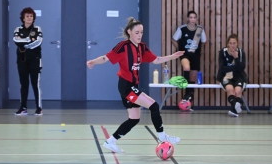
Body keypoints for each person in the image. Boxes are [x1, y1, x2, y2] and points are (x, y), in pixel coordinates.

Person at [87, 17, 184, 153]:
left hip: (133, 86)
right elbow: (106, 58)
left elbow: (156, 60)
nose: (140, 35)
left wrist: (173, 56)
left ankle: (111, 141)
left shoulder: (142, 48)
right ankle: (162, 137)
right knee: (154, 106)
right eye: (137, 32)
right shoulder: (123, 46)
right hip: (126, 86)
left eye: (141, 32)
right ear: (129, 32)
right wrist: (94, 62)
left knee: (134, 119)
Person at [13, 7, 43, 116]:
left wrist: (24, 43)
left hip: (35, 60)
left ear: (33, 18)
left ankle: (39, 108)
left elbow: (38, 42)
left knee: (36, 84)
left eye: (31, 16)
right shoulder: (18, 29)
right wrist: (28, 40)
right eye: (27, 16)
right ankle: (23, 107)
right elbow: (16, 40)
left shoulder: (37, 29)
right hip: (22, 60)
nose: (29, 18)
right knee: (24, 84)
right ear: (23, 18)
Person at [172, 11, 206, 101]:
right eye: (191, 17)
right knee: (186, 67)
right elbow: (174, 39)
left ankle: (189, 98)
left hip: (195, 55)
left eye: (194, 17)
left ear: (196, 19)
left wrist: (198, 50)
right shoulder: (182, 29)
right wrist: (180, 50)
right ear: (187, 18)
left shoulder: (200, 29)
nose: (193, 19)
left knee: (193, 78)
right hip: (185, 54)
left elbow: (204, 42)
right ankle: (186, 92)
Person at [216, 34, 248, 117]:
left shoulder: (241, 53)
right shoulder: (223, 52)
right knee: (230, 90)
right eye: (230, 43)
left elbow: (241, 68)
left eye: (234, 43)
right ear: (227, 44)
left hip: (239, 76)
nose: (232, 45)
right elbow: (222, 68)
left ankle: (234, 110)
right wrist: (235, 67)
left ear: (237, 44)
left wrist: (236, 58)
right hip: (226, 76)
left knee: (238, 91)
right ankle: (236, 106)